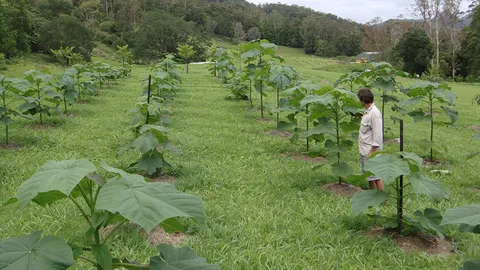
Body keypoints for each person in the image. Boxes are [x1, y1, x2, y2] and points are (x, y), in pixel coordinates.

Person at [357, 88, 384, 191]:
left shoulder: (375, 113)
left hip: (371, 150)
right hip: (365, 149)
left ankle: (383, 199)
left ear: (363, 100)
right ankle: (373, 196)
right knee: (369, 176)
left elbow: (378, 134)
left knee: (376, 176)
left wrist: (373, 150)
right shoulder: (368, 111)